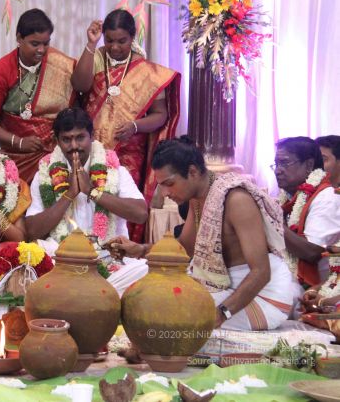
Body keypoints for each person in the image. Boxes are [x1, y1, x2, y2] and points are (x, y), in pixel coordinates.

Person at [124, 137, 294, 331]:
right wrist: (140, 249)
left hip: (263, 297)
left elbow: (261, 273)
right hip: (225, 289)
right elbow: (184, 249)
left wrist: (221, 313)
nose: (165, 193)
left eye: (169, 183)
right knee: (142, 293)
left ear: (193, 172)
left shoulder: (237, 200)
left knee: (168, 314)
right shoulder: (197, 199)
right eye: (161, 185)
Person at [73, 9, 181, 242]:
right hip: (91, 150)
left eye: (121, 41)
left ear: (132, 37)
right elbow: (79, 85)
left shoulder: (148, 73)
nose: (114, 47)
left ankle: (122, 249)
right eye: (109, 40)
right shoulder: (96, 58)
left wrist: (135, 125)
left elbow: (160, 115)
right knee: (88, 201)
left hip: (129, 153)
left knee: (123, 204)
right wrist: (91, 44)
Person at [25, 108, 148, 294]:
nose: (74, 145)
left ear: (92, 136)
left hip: (108, 259)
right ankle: (97, 294)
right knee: (25, 261)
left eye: (80, 137)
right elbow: (32, 230)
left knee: (145, 270)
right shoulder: (45, 174)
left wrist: (92, 191)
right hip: (60, 260)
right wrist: (69, 194)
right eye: (66, 139)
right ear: (57, 141)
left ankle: (90, 293)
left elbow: (141, 214)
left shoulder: (114, 170)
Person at [0, 8, 76, 183]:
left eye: (46, 43)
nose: (41, 50)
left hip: (54, 155)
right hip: (14, 157)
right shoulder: (1, 71)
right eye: (34, 43)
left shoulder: (59, 64)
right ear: (19, 38)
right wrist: (19, 142)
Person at [274, 137, 340, 288]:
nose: (278, 170)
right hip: (285, 276)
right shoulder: (288, 198)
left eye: (284, 163)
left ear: (309, 165)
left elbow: (312, 252)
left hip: (316, 287)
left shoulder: (327, 197)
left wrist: (272, 220)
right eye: (276, 164)